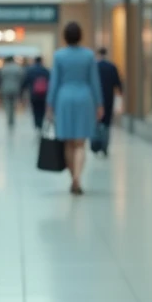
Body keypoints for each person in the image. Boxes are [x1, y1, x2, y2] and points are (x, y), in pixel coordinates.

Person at [48, 22, 103, 195]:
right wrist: (99, 104)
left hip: (64, 98)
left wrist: (50, 104)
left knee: (68, 142)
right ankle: (78, 178)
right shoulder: (88, 56)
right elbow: (94, 82)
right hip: (84, 98)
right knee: (80, 143)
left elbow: (54, 82)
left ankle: (73, 178)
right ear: (80, 36)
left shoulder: (59, 56)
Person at [94, 48, 124, 156]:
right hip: (108, 98)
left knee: (96, 122)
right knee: (106, 123)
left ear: (98, 54)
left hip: (96, 100)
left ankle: (96, 145)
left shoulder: (94, 66)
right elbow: (118, 83)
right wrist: (120, 94)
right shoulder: (112, 67)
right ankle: (105, 146)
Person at [22, 56, 51, 129]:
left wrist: (23, 91)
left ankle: (37, 124)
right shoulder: (45, 71)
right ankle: (40, 123)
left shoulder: (30, 71)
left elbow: (25, 82)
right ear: (41, 61)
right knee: (42, 110)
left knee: (35, 110)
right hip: (44, 94)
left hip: (34, 94)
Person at [0, 57, 25, 129]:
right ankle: (12, 119)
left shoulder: (4, 68)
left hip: (5, 88)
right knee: (13, 104)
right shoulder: (18, 68)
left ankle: (9, 118)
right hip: (15, 88)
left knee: (7, 104)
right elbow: (22, 77)